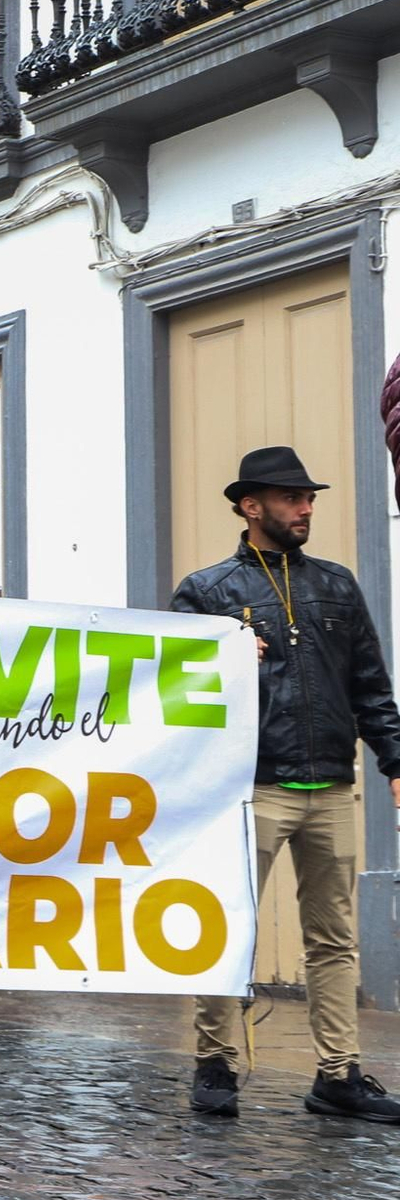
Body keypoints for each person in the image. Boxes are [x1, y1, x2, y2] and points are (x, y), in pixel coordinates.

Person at [174, 446, 400, 1122]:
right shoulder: (207, 591)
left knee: (334, 938)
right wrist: (220, 660)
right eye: (292, 498)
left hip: (330, 785)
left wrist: (395, 762)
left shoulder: (337, 585)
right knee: (228, 928)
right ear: (251, 506)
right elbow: (174, 691)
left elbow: (370, 686)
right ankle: (215, 1063)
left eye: (309, 499)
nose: (306, 509)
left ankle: (338, 1074)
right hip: (250, 787)